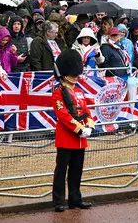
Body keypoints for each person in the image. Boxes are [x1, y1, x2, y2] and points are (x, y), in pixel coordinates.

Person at [52, 50, 95, 212]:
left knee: (77, 171)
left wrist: (89, 126)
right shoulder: (57, 93)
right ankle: (59, 200)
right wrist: (79, 129)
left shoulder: (79, 92)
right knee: (61, 171)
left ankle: (75, 199)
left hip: (80, 140)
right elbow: (63, 115)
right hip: (66, 138)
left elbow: (86, 111)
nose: (76, 77)